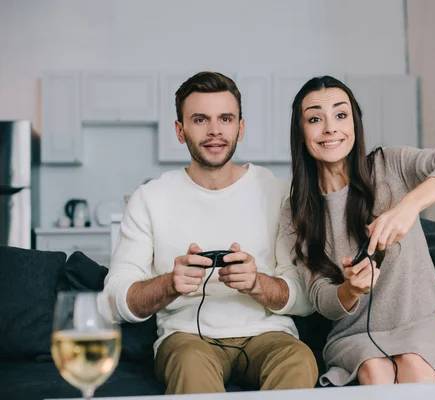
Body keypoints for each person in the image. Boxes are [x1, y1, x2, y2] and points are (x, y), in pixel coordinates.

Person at [104, 71, 318, 394]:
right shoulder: (149, 199)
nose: (215, 131)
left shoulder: (278, 194)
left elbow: (306, 298)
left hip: (268, 337)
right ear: (180, 130)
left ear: (240, 128)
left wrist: (257, 283)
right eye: (200, 119)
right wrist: (170, 285)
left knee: (300, 359)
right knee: (190, 363)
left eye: (226, 119)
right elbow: (112, 299)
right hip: (187, 339)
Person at [276, 75, 435, 387]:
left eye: (341, 114)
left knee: (414, 365)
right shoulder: (296, 209)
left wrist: (409, 206)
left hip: (424, 323)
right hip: (355, 334)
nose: (330, 127)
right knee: (375, 372)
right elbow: (322, 298)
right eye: (315, 118)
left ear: (354, 123)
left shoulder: (391, 164)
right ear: (301, 132)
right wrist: (351, 290)